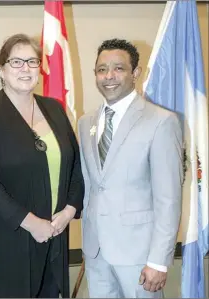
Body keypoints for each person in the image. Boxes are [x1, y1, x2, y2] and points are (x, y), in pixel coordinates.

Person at [0, 33, 84, 298]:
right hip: (7, 239)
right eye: (16, 62)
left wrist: (69, 210)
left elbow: (76, 165)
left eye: (32, 61)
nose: (26, 69)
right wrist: (30, 223)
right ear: (2, 70)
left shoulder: (54, 109)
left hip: (55, 232)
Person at [78, 38, 183, 298]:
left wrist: (159, 260)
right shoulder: (85, 122)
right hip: (96, 251)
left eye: (118, 68)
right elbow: (91, 186)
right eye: (102, 69)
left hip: (140, 255)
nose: (109, 76)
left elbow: (168, 198)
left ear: (135, 73)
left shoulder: (161, 121)